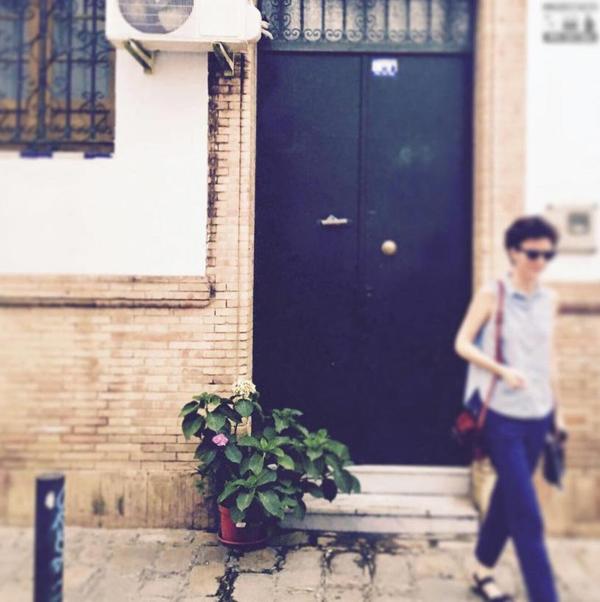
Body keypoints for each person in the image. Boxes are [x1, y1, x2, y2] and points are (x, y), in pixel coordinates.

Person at [453, 215, 567, 602]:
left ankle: (481, 569)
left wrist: (558, 412)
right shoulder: (493, 294)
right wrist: (500, 370)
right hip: (501, 418)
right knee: (528, 516)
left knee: (508, 496)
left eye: (547, 255)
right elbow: (462, 343)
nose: (540, 262)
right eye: (533, 254)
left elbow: (549, 358)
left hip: (538, 416)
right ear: (514, 252)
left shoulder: (550, 300)